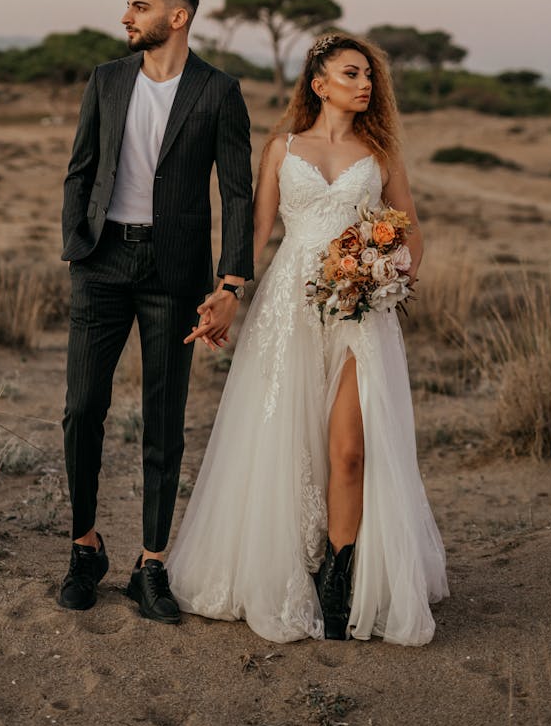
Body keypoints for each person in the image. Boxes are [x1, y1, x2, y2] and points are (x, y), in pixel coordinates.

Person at [169, 32, 449, 644]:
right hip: (290, 309)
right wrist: (228, 292)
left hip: (359, 312)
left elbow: (410, 233)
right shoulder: (282, 148)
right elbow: (259, 230)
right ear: (319, 84)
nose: (366, 83)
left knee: (350, 448)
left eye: (369, 75)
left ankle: (341, 578)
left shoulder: (381, 154)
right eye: (352, 73)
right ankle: (294, 564)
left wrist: (390, 276)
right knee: (286, 440)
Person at [59, 0, 254, 624]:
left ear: (177, 16)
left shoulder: (219, 91)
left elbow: (236, 192)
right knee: (82, 407)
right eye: (128, 3)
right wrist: (77, 244)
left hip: (174, 272)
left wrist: (230, 281)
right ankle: (86, 547)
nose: (126, 16)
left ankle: (151, 562)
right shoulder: (107, 81)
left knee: (163, 422)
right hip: (103, 260)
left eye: (138, 5)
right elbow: (80, 168)